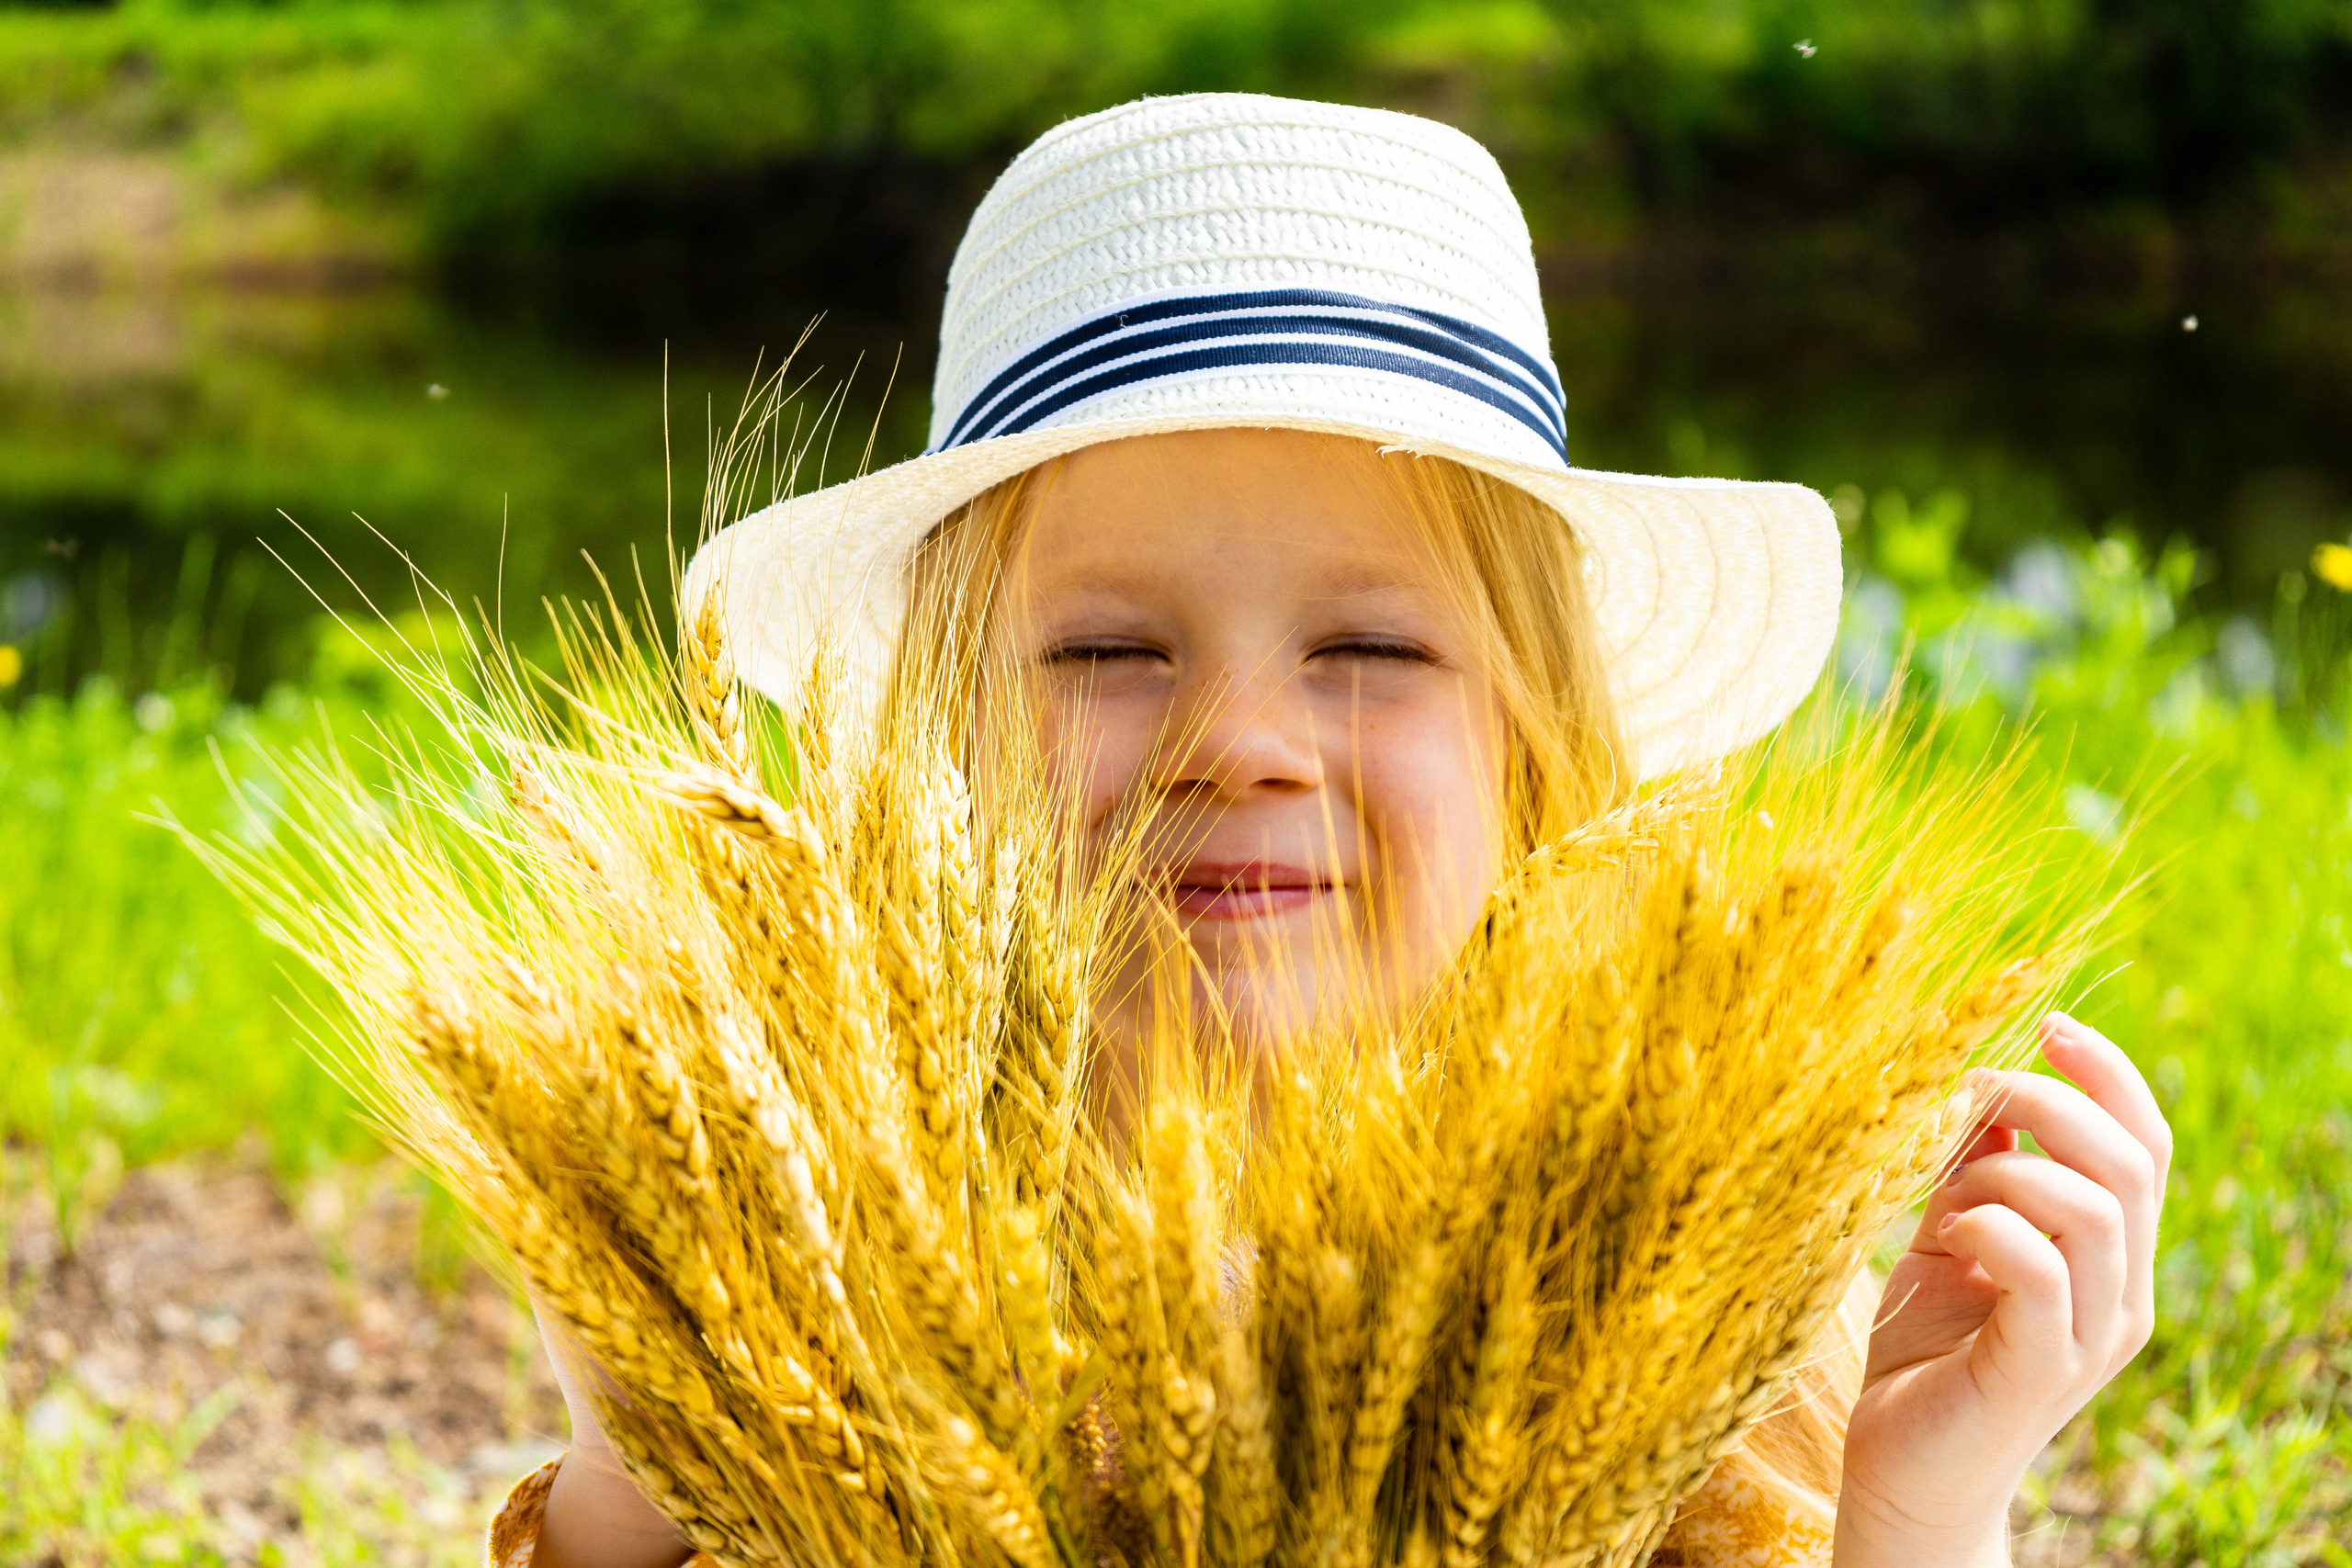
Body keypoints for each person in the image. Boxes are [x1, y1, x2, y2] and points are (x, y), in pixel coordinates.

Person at [492, 95, 2171, 1568]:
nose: (1239, 744)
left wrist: (1926, 1517)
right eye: (1105, 653)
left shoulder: (1652, 1248)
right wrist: (636, 1483)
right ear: (949, 739)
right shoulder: (838, 1247)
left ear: (1534, 747)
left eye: (1369, 650)